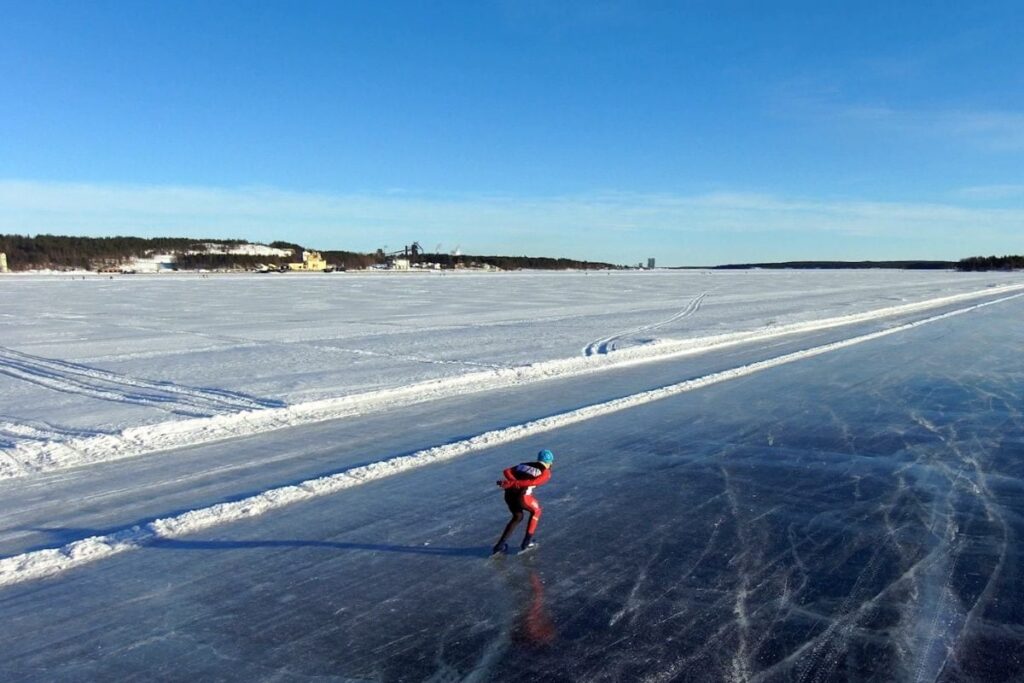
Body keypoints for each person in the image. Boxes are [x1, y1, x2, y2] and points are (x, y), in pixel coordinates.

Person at [492, 449, 554, 554]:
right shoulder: (546, 472)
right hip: (522, 497)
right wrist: (516, 483)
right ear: (549, 462)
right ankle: (526, 543)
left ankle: (499, 546)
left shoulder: (524, 465)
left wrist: (513, 482)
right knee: (536, 511)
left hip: (509, 495)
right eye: (551, 462)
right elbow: (533, 482)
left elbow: (506, 471)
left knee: (517, 517)